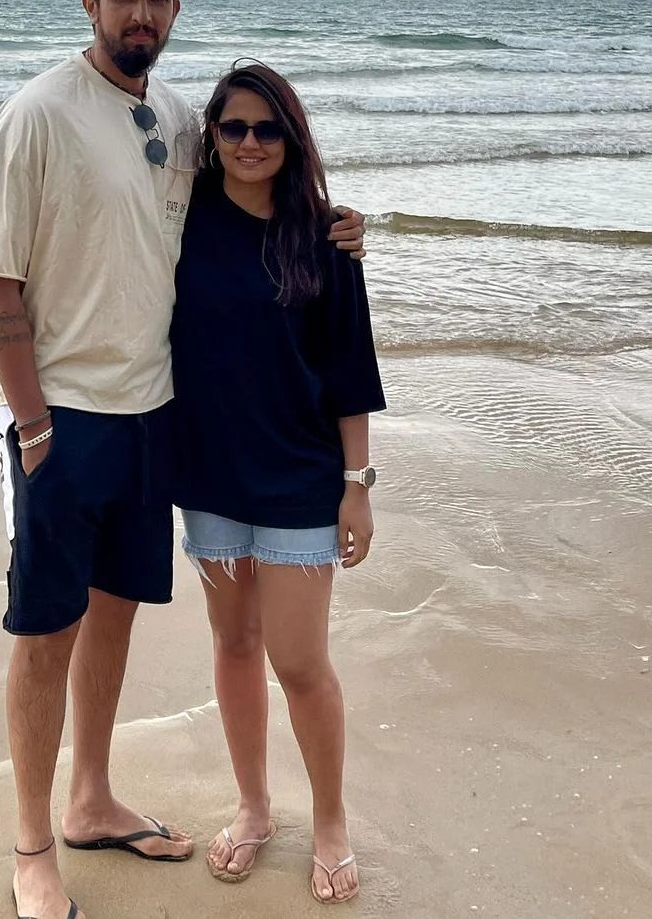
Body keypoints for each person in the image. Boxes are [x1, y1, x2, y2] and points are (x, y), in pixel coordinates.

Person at [0, 0, 366, 919]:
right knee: (45, 629)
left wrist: (336, 224)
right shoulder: (39, 115)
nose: (139, 12)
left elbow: (252, 184)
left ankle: (91, 799)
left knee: (114, 615)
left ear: (175, 13)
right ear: (88, 6)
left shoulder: (179, 118)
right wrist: (31, 421)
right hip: (64, 417)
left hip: (154, 420)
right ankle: (30, 846)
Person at [171, 62, 385, 905]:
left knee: (300, 663)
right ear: (212, 139)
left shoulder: (325, 236)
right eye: (234, 128)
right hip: (211, 475)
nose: (251, 143)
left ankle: (329, 822)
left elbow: (350, 371)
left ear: (291, 139)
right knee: (232, 645)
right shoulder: (180, 220)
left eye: (268, 129)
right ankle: (255, 809)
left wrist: (356, 483)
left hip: (300, 479)